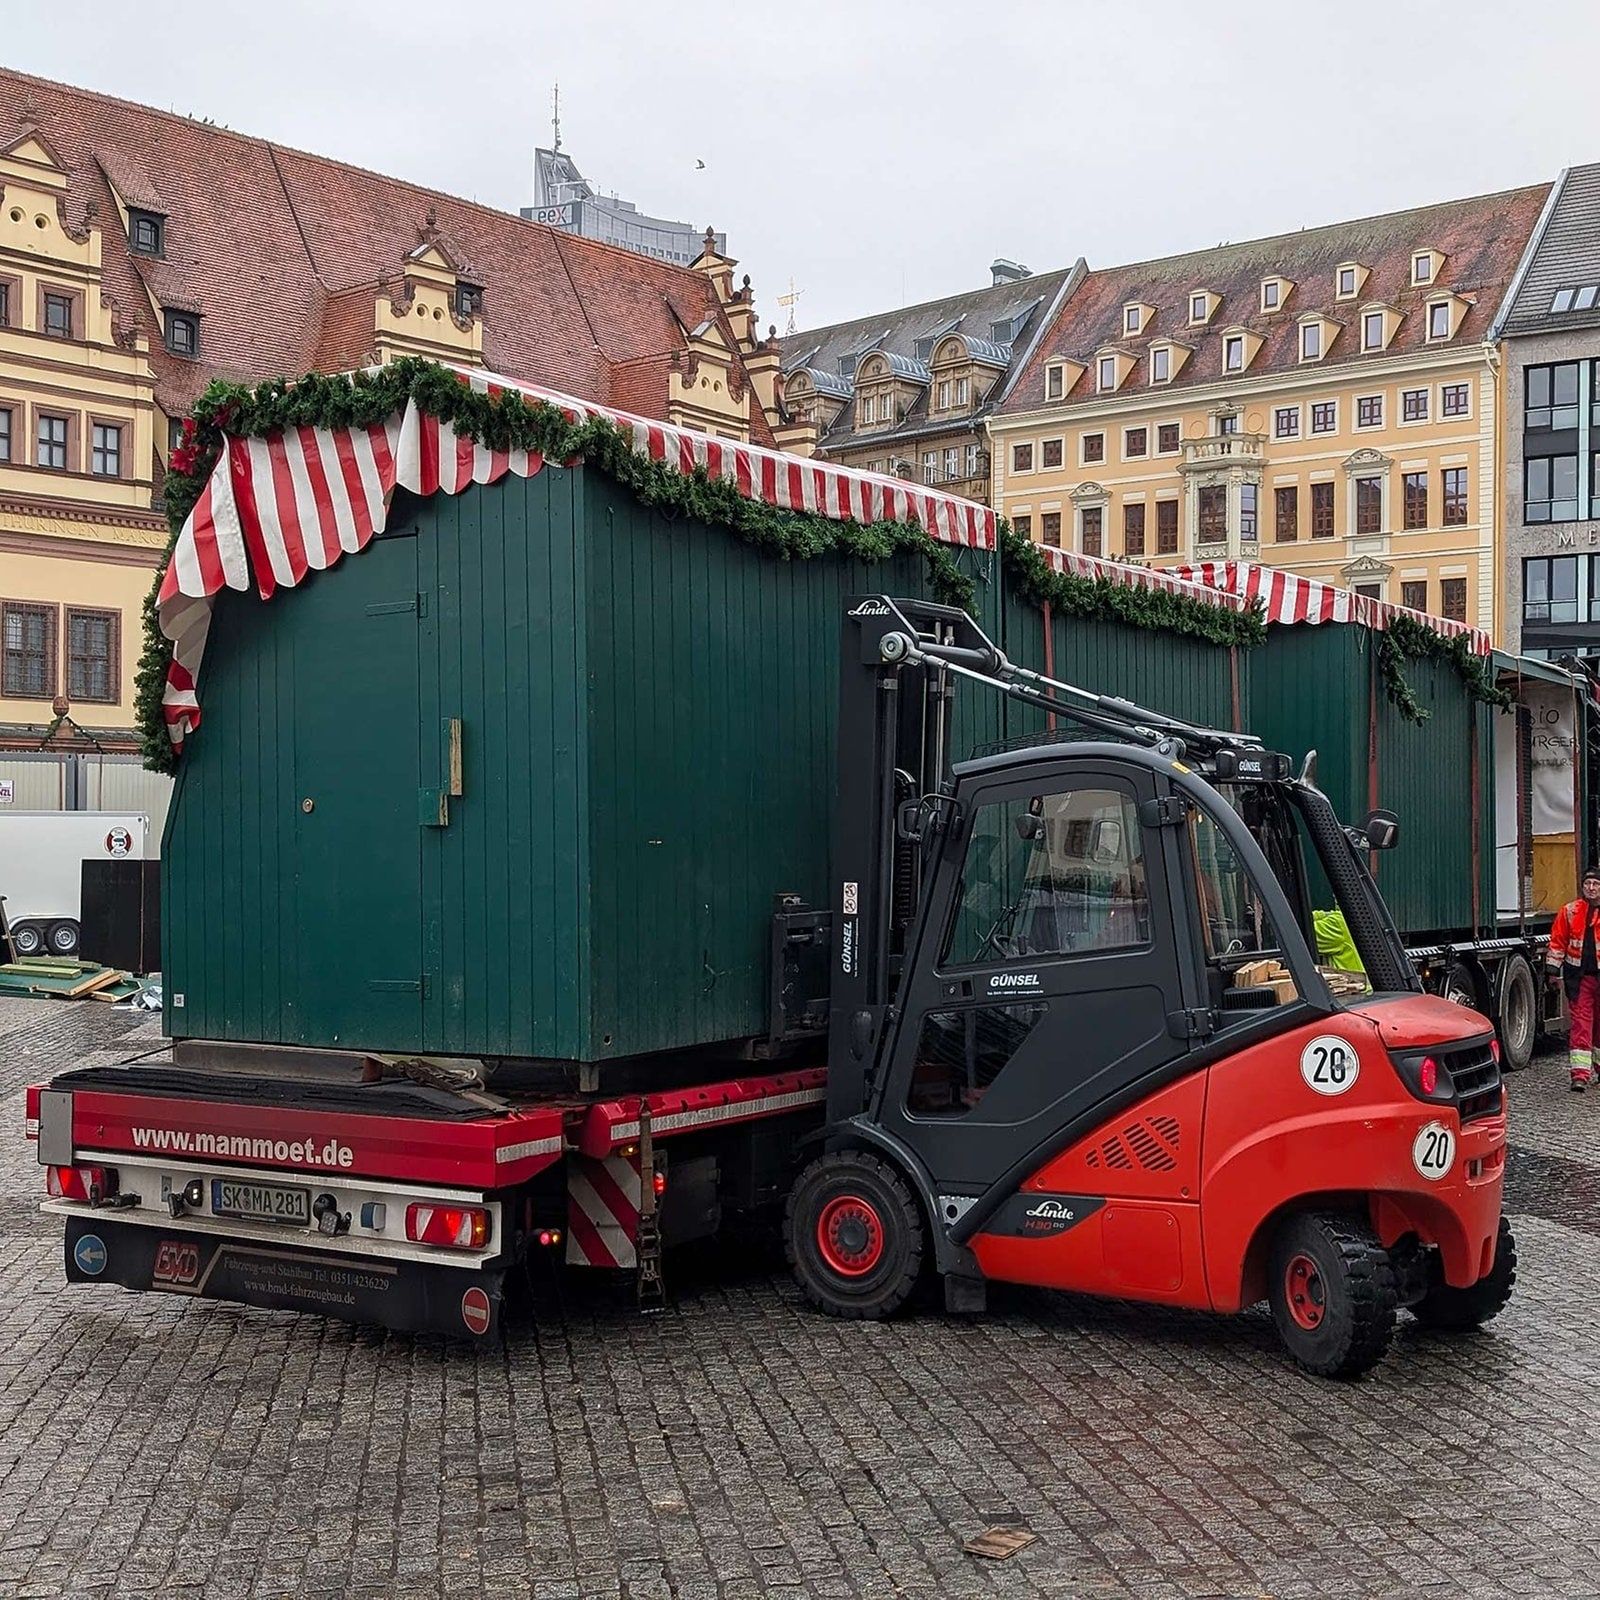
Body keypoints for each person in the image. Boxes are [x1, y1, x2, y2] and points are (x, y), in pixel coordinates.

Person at [1547, 865, 1600, 1091]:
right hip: (1579, 979)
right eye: (1588, 883)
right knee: (1581, 1025)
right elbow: (1558, 942)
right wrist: (1552, 970)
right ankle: (1580, 1075)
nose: (1591, 887)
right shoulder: (1570, 912)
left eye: (1595, 884)